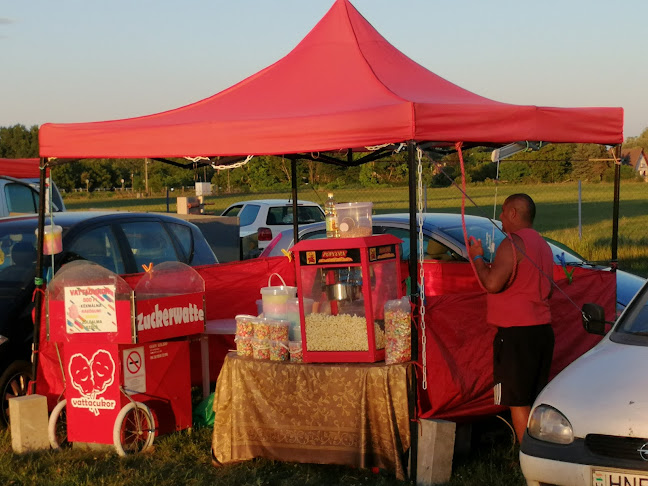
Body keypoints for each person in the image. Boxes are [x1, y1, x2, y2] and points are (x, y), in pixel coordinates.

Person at [467, 193, 554, 444]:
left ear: (514, 213)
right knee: (535, 396)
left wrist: (477, 257)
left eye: (504, 212)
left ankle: (527, 456)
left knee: (518, 401)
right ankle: (542, 450)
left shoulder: (513, 243)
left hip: (517, 334)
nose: (501, 218)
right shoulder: (543, 245)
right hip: (542, 331)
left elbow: (492, 283)